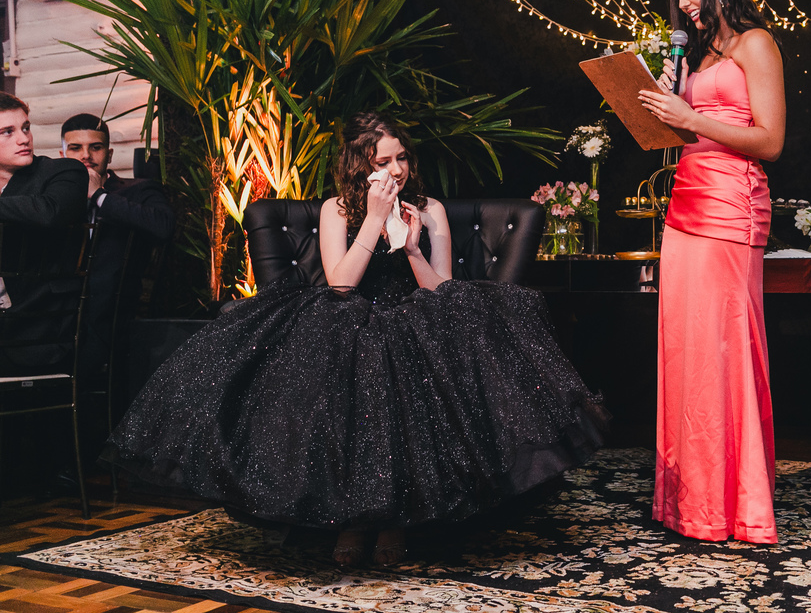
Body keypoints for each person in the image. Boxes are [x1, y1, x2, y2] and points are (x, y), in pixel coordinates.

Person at [103, 112, 607, 566]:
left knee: (408, 354)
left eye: (401, 158)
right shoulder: (336, 210)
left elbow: (441, 290)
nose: (396, 170)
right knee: (353, 357)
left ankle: (395, 521)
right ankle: (351, 519)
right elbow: (340, 284)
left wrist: (412, 248)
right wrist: (373, 219)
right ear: (359, 165)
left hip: (417, 316)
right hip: (349, 316)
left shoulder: (429, 208)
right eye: (383, 161)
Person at [637, 0, 785, 543]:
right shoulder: (697, 56)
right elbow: (687, 134)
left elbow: (771, 140)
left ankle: (736, 505)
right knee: (687, 353)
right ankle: (692, 501)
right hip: (685, 203)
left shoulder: (756, 43)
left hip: (730, 207)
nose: (684, 4)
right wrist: (660, 110)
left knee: (723, 352)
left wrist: (692, 118)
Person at [60, 114, 175, 384]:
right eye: (75, 148)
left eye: (95, 147)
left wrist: (99, 196)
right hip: (60, 312)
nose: (86, 155)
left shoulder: (138, 190)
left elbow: (164, 226)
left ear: (109, 154)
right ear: (62, 155)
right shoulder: (55, 200)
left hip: (115, 310)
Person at [0, 93, 88, 372]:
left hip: (36, 328)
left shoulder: (64, 171)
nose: (23, 139)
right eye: (7, 132)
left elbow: (51, 211)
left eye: (25, 128)